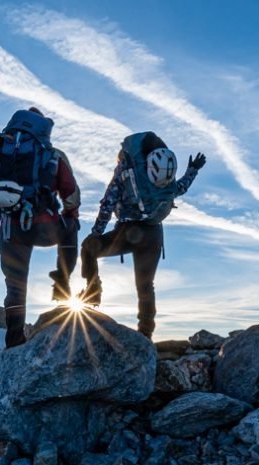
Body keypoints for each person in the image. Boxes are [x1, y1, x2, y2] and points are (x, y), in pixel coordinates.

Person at [0, 107, 81, 348]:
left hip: (11, 230)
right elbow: (72, 195)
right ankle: (62, 280)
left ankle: (14, 341)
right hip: (44, 227)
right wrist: (70, 216)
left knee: (15, 287)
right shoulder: (52, 155)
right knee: (71, 228)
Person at [80, 132, 206, 339]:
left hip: (127, 232)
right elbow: (180, 188)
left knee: (88, 248)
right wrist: (193, 170)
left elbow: (108, 203)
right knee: (145, 284)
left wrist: (96, 233)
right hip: (153, 234)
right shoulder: (164, 175)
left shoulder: (127, 170)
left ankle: (93, 291)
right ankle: (146, 335)